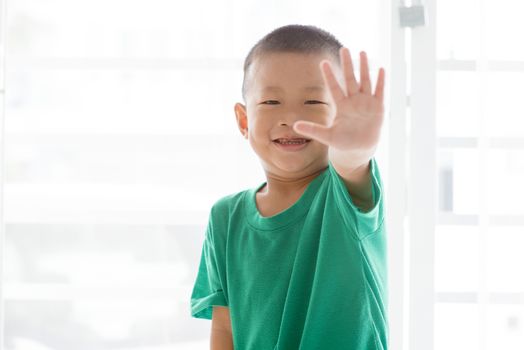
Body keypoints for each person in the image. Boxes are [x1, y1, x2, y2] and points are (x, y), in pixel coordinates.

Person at [190, 24, 387, 350]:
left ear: (340, 118)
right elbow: (225, 329)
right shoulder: (226, 217)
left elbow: (352, 162)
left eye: (313, 102)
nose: (292, 117)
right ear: (243, 121)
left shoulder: (344, 195)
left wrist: (357, 147)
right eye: (271, 102)